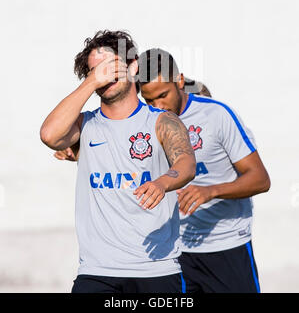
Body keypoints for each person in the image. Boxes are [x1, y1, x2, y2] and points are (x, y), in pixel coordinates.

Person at [40, 31, 196, 294]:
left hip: (156, 269)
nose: (103, 76)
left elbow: (187, 164)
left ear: (133, 66)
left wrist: (162, 182)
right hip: (98, 272)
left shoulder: (161, 121)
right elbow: (49, 135)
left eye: (110, 67)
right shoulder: (85, 124)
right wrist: (89, 83)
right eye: (95, 70)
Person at [137, 48, 271, 293]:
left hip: (227, 245)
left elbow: (260, 179)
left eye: (163, 95)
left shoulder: (216, 114)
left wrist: (210, 192)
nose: (158, 106)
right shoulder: (146, 121)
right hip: (176, 252)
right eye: (149, 100)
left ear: (179, 81)